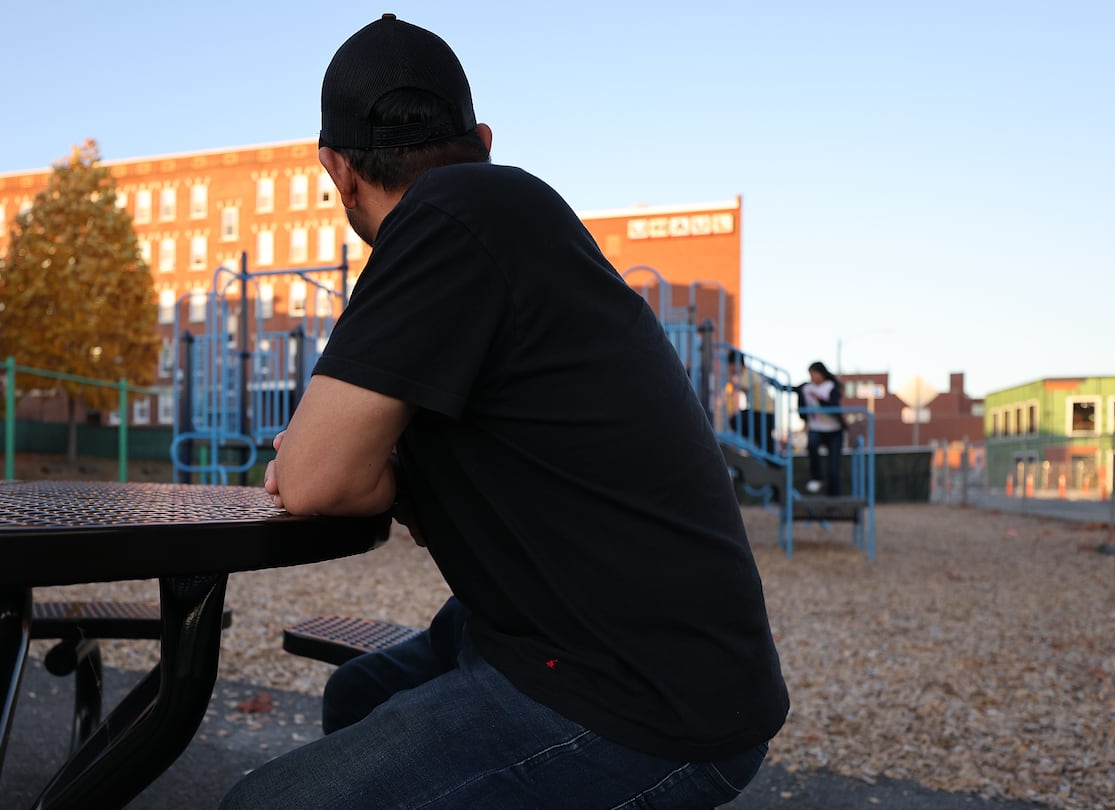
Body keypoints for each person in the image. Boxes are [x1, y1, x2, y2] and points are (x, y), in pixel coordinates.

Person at [224, 14, 788, 808]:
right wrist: (361, 468)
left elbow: (315, 478)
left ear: (337, 171)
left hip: (636, 695)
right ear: (482, 134)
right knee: (358, 697)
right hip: (593, 636)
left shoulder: (447, 220)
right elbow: (362, 473)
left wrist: (347, 464)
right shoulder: (501, 213)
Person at [794, 361, 845, 496]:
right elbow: (790, 388)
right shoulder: (806, 388)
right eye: (810, 374)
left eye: (815, 373)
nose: (812, 377)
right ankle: (816, 477)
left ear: (822, 373)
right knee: (812, 445)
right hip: (816, 427)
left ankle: (834, 499)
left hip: (834, 430)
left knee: (833, 468)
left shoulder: (831, 386)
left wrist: (819, 399)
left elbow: (833, 406)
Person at [726, 350, 780, 456]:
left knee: (736, 420)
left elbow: (741, 387)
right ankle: (769, 456)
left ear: (736, 364)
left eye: (731, 365)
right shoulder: (748, 373)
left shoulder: (747, 373)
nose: (730, 368)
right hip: (764, 412)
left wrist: (730, 379)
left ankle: (772, 459)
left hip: (763, 413)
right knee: (763, 440)